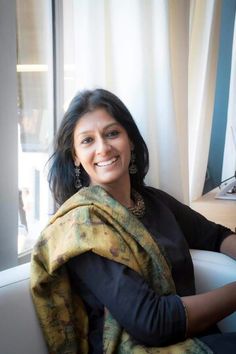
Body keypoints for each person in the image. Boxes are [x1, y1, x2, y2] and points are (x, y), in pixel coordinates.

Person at [30, 88, 236, 354]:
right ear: (75, 157)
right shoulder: (81, 227)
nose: (103, 148)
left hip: (195, 336)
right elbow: (152, 322)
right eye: (87, 141)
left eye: (112, 133)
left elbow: (216, 236)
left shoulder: (153, 202)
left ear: (131, 141)